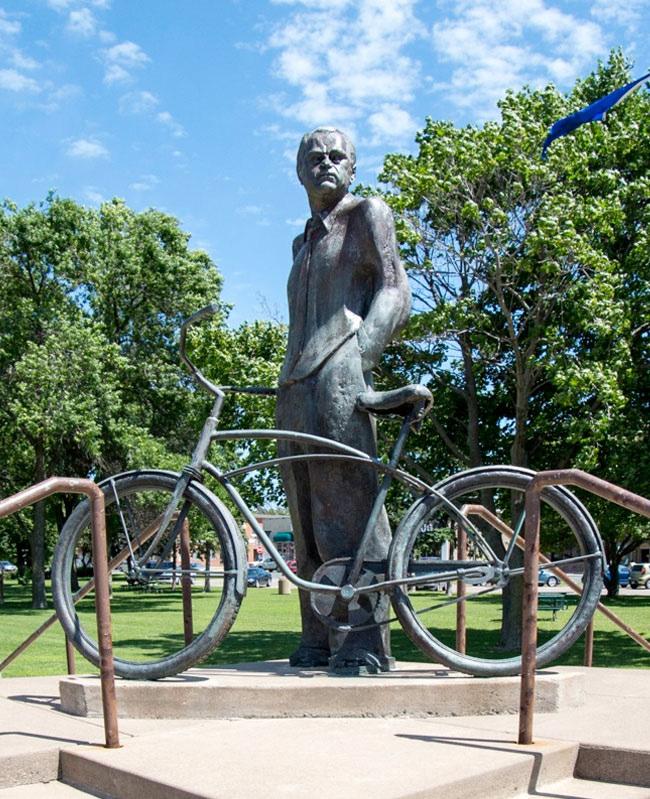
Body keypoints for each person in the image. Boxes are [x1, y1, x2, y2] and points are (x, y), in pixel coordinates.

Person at [276, 127, 411, 672]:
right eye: (315, 157)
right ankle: (318, 636)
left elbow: (395, 288)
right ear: (300, 171)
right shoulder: (302, 240)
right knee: (305, 518)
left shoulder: (366, 214)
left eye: (337, 157)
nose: (326, 164)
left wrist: (362, 353)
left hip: (340, 373)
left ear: (353, 167)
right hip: (293, 386)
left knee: (347, 514)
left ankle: (362, 642)